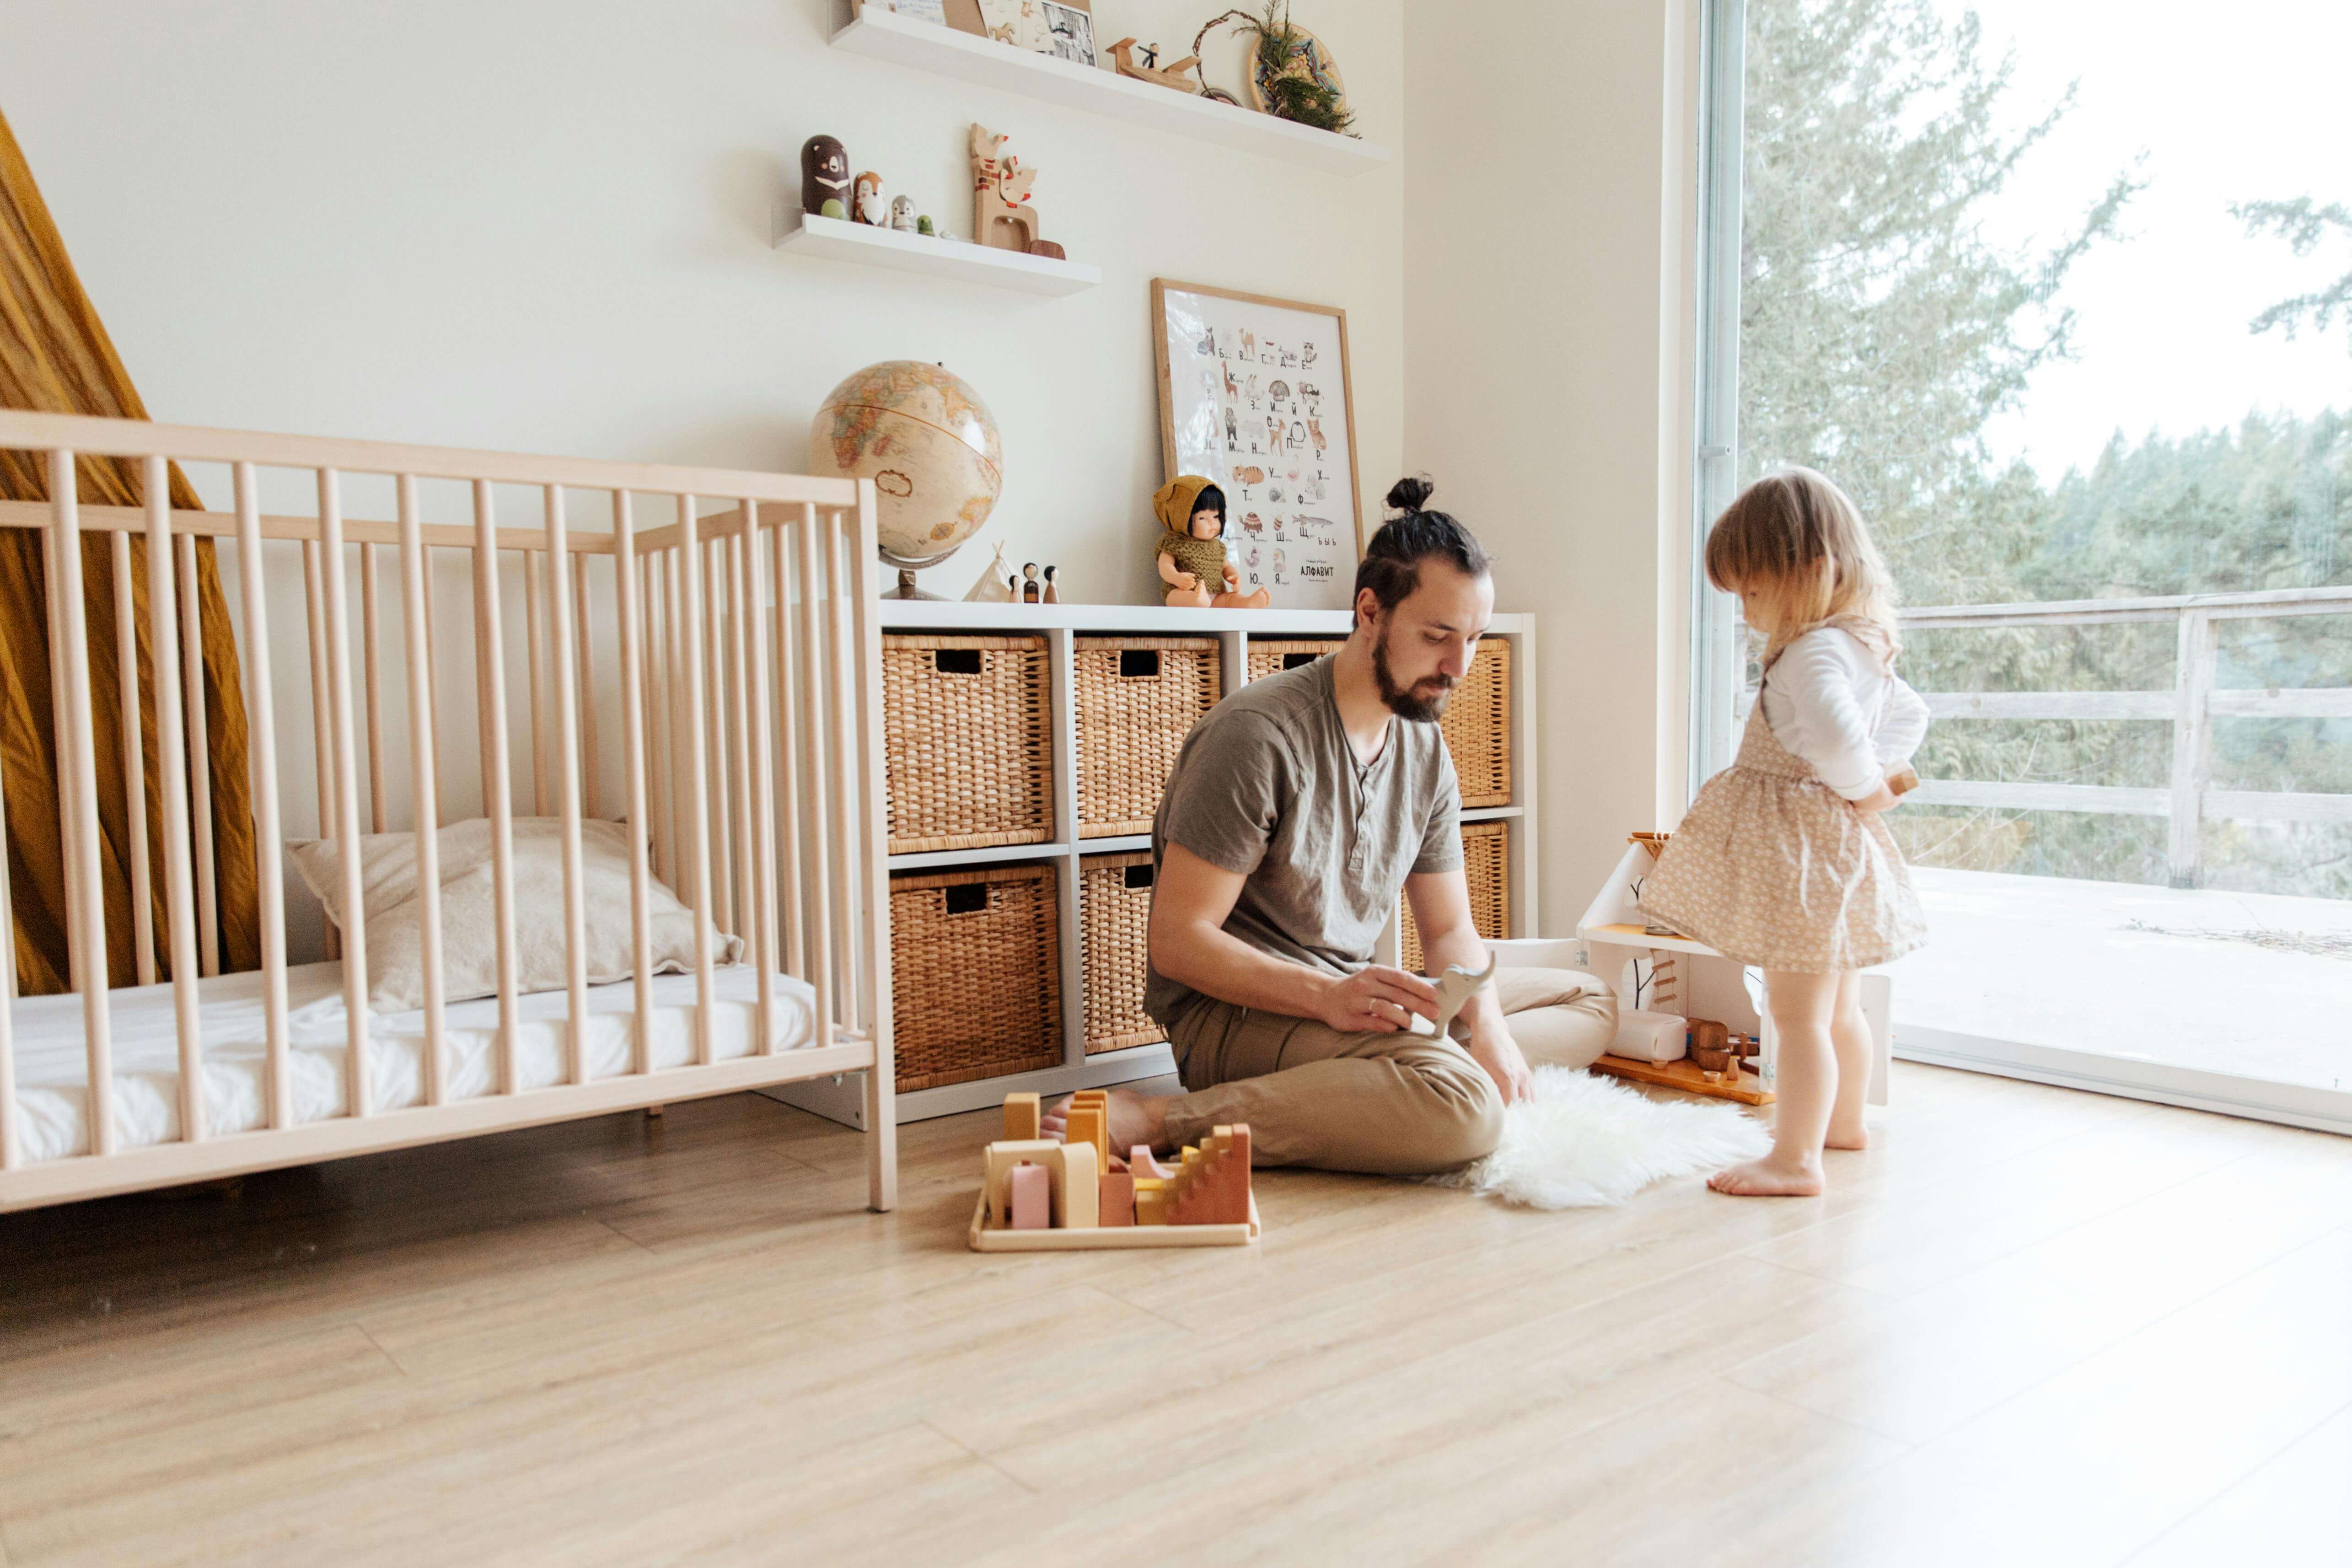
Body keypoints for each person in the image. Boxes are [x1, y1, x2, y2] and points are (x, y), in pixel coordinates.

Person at [1048, 477, 1616, 1174]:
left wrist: (1490, 1029)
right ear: (1369, 613)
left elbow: (1446, 931)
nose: (1458, 667)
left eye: (1473, 638)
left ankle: (1397, 1077)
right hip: (1235, 1016)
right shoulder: (1257, 737)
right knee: (1464, 1110)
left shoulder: (1422, 745)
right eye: (1437, 636)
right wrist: (1328, 997)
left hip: (1347, 990)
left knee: (1586, 998)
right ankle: (1169, 1118)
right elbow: (1178, 944)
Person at [1639, 467, 1929, 1197]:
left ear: (1809, 571)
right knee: (1838, 1008)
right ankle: (1842, 1125)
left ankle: (1795, 1158)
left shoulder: (1812, 651)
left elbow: (1832, 732)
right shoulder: (1863, 644)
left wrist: (1863, 782)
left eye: (1752, 591)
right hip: (1834, 845)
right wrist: (1878, 779)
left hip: (1800, 851)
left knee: (1793, 1014)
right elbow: (1911, 714)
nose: (1745, 611)